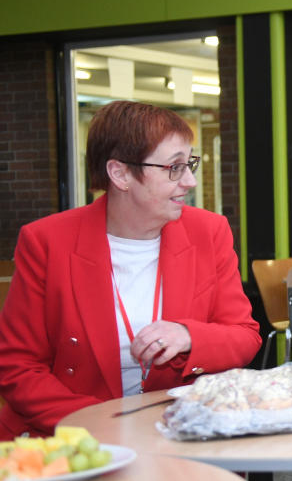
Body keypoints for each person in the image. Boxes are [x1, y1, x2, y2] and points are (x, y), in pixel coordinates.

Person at [0, 101, 262, 438]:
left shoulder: (208, 232)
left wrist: (189, 335)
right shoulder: (47, 241)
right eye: (174, 167)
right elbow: (18, 367)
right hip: (73, 438)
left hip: (178, 432)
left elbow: (244, 334)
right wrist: (105, 426)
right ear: (120, 174)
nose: (190, 181)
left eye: (189, 164)